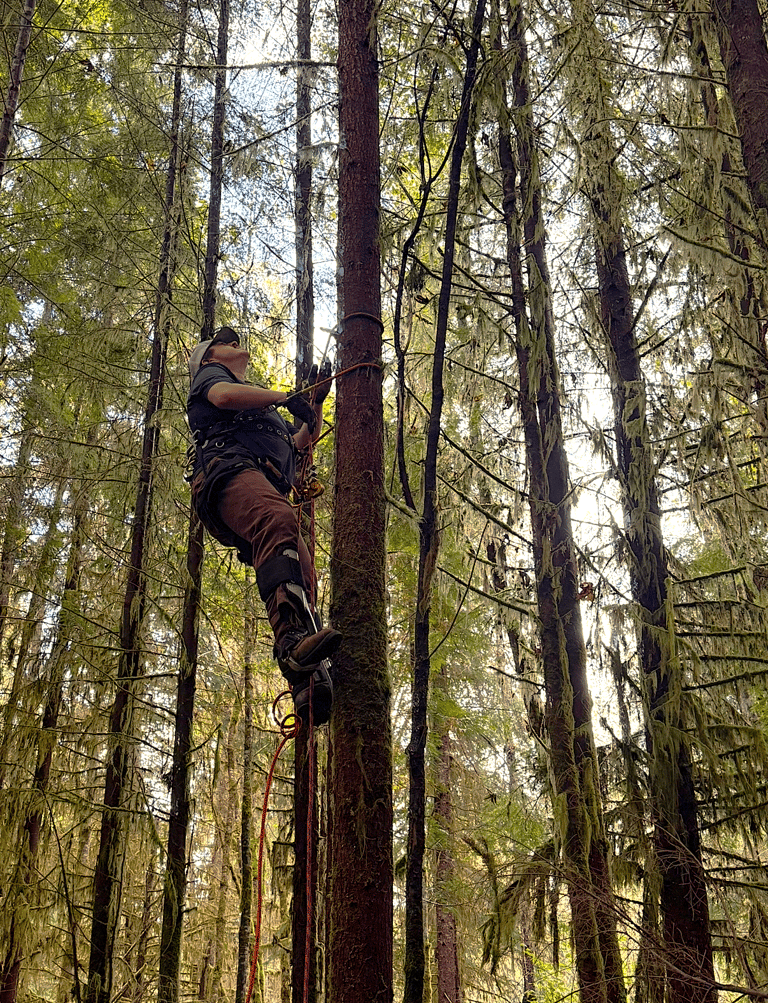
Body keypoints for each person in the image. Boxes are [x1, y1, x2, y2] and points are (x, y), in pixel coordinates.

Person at [186, 326, 340, 724]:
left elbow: (304, 439)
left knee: (305, 571)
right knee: (278, 518)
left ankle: (308, 683)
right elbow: (223, 397)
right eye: (225, 342)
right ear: (209, 356)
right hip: (229, 471)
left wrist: (315, 403)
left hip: (259, 482)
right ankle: (292, 643)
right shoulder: (211, 379)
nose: (235, 344)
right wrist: (286, 396)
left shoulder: (266, 412)